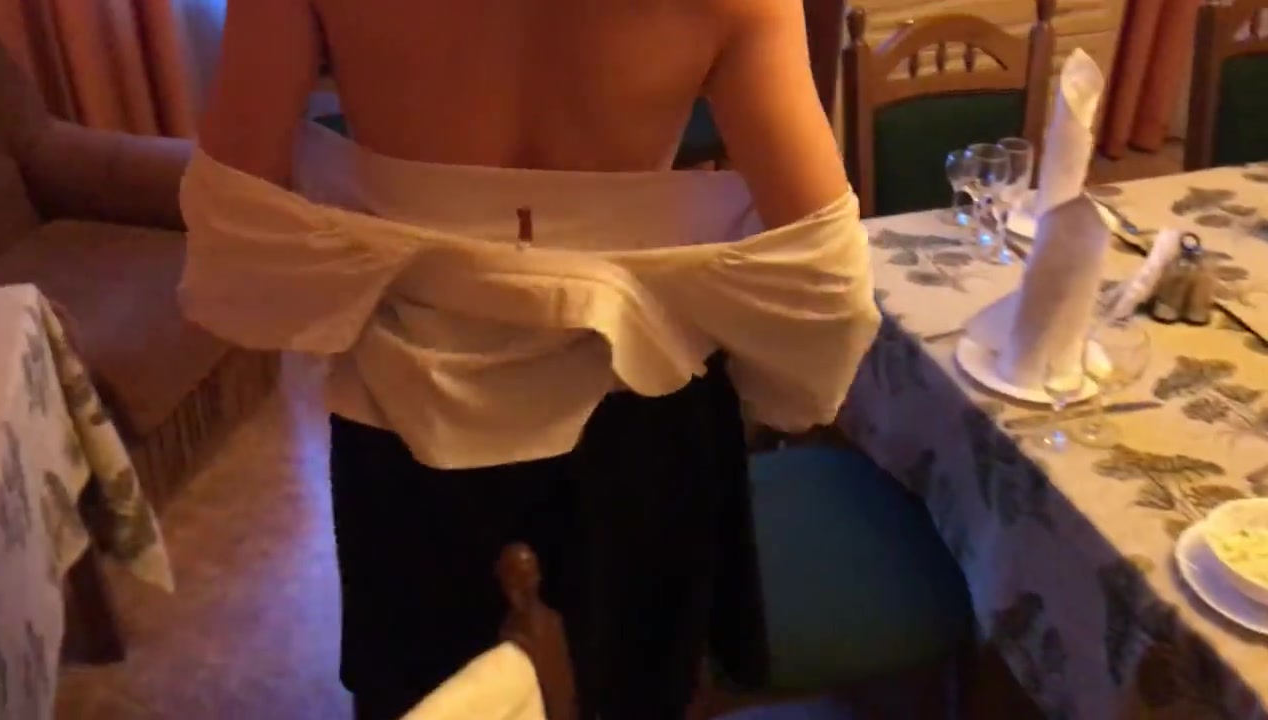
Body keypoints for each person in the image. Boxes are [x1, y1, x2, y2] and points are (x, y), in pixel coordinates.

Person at [187, 1, 880, 718]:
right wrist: (746, 373)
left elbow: (235, 228)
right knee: (634, 695)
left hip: (408, 416)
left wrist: (398, 262)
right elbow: (826, 290)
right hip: (637, 417)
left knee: (435, 700)